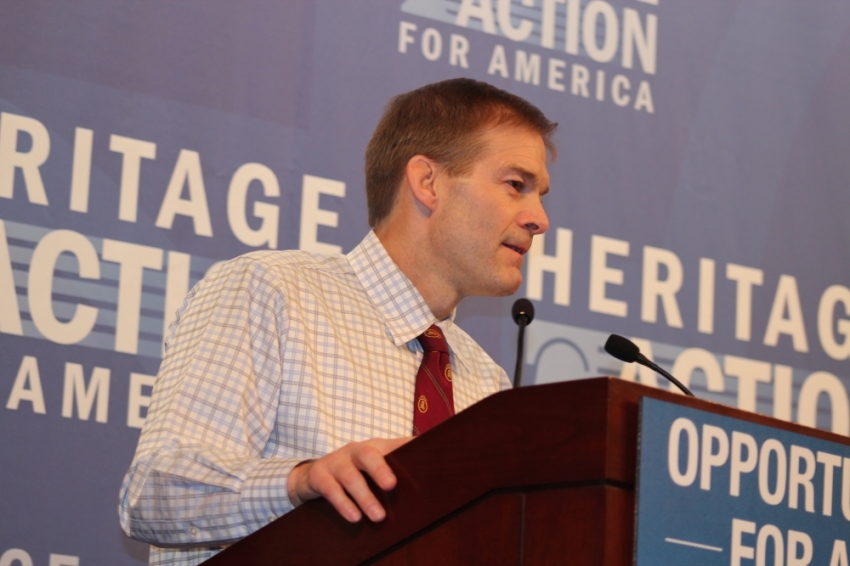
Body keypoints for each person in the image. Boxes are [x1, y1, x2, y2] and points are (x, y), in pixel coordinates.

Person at [118, 77, 556, 565]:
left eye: (539, 193)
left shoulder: (486, 382)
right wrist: (301, 481)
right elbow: (152, 494)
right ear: (428, 182)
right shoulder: (272, 291)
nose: (539, 218)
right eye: (516, 185)